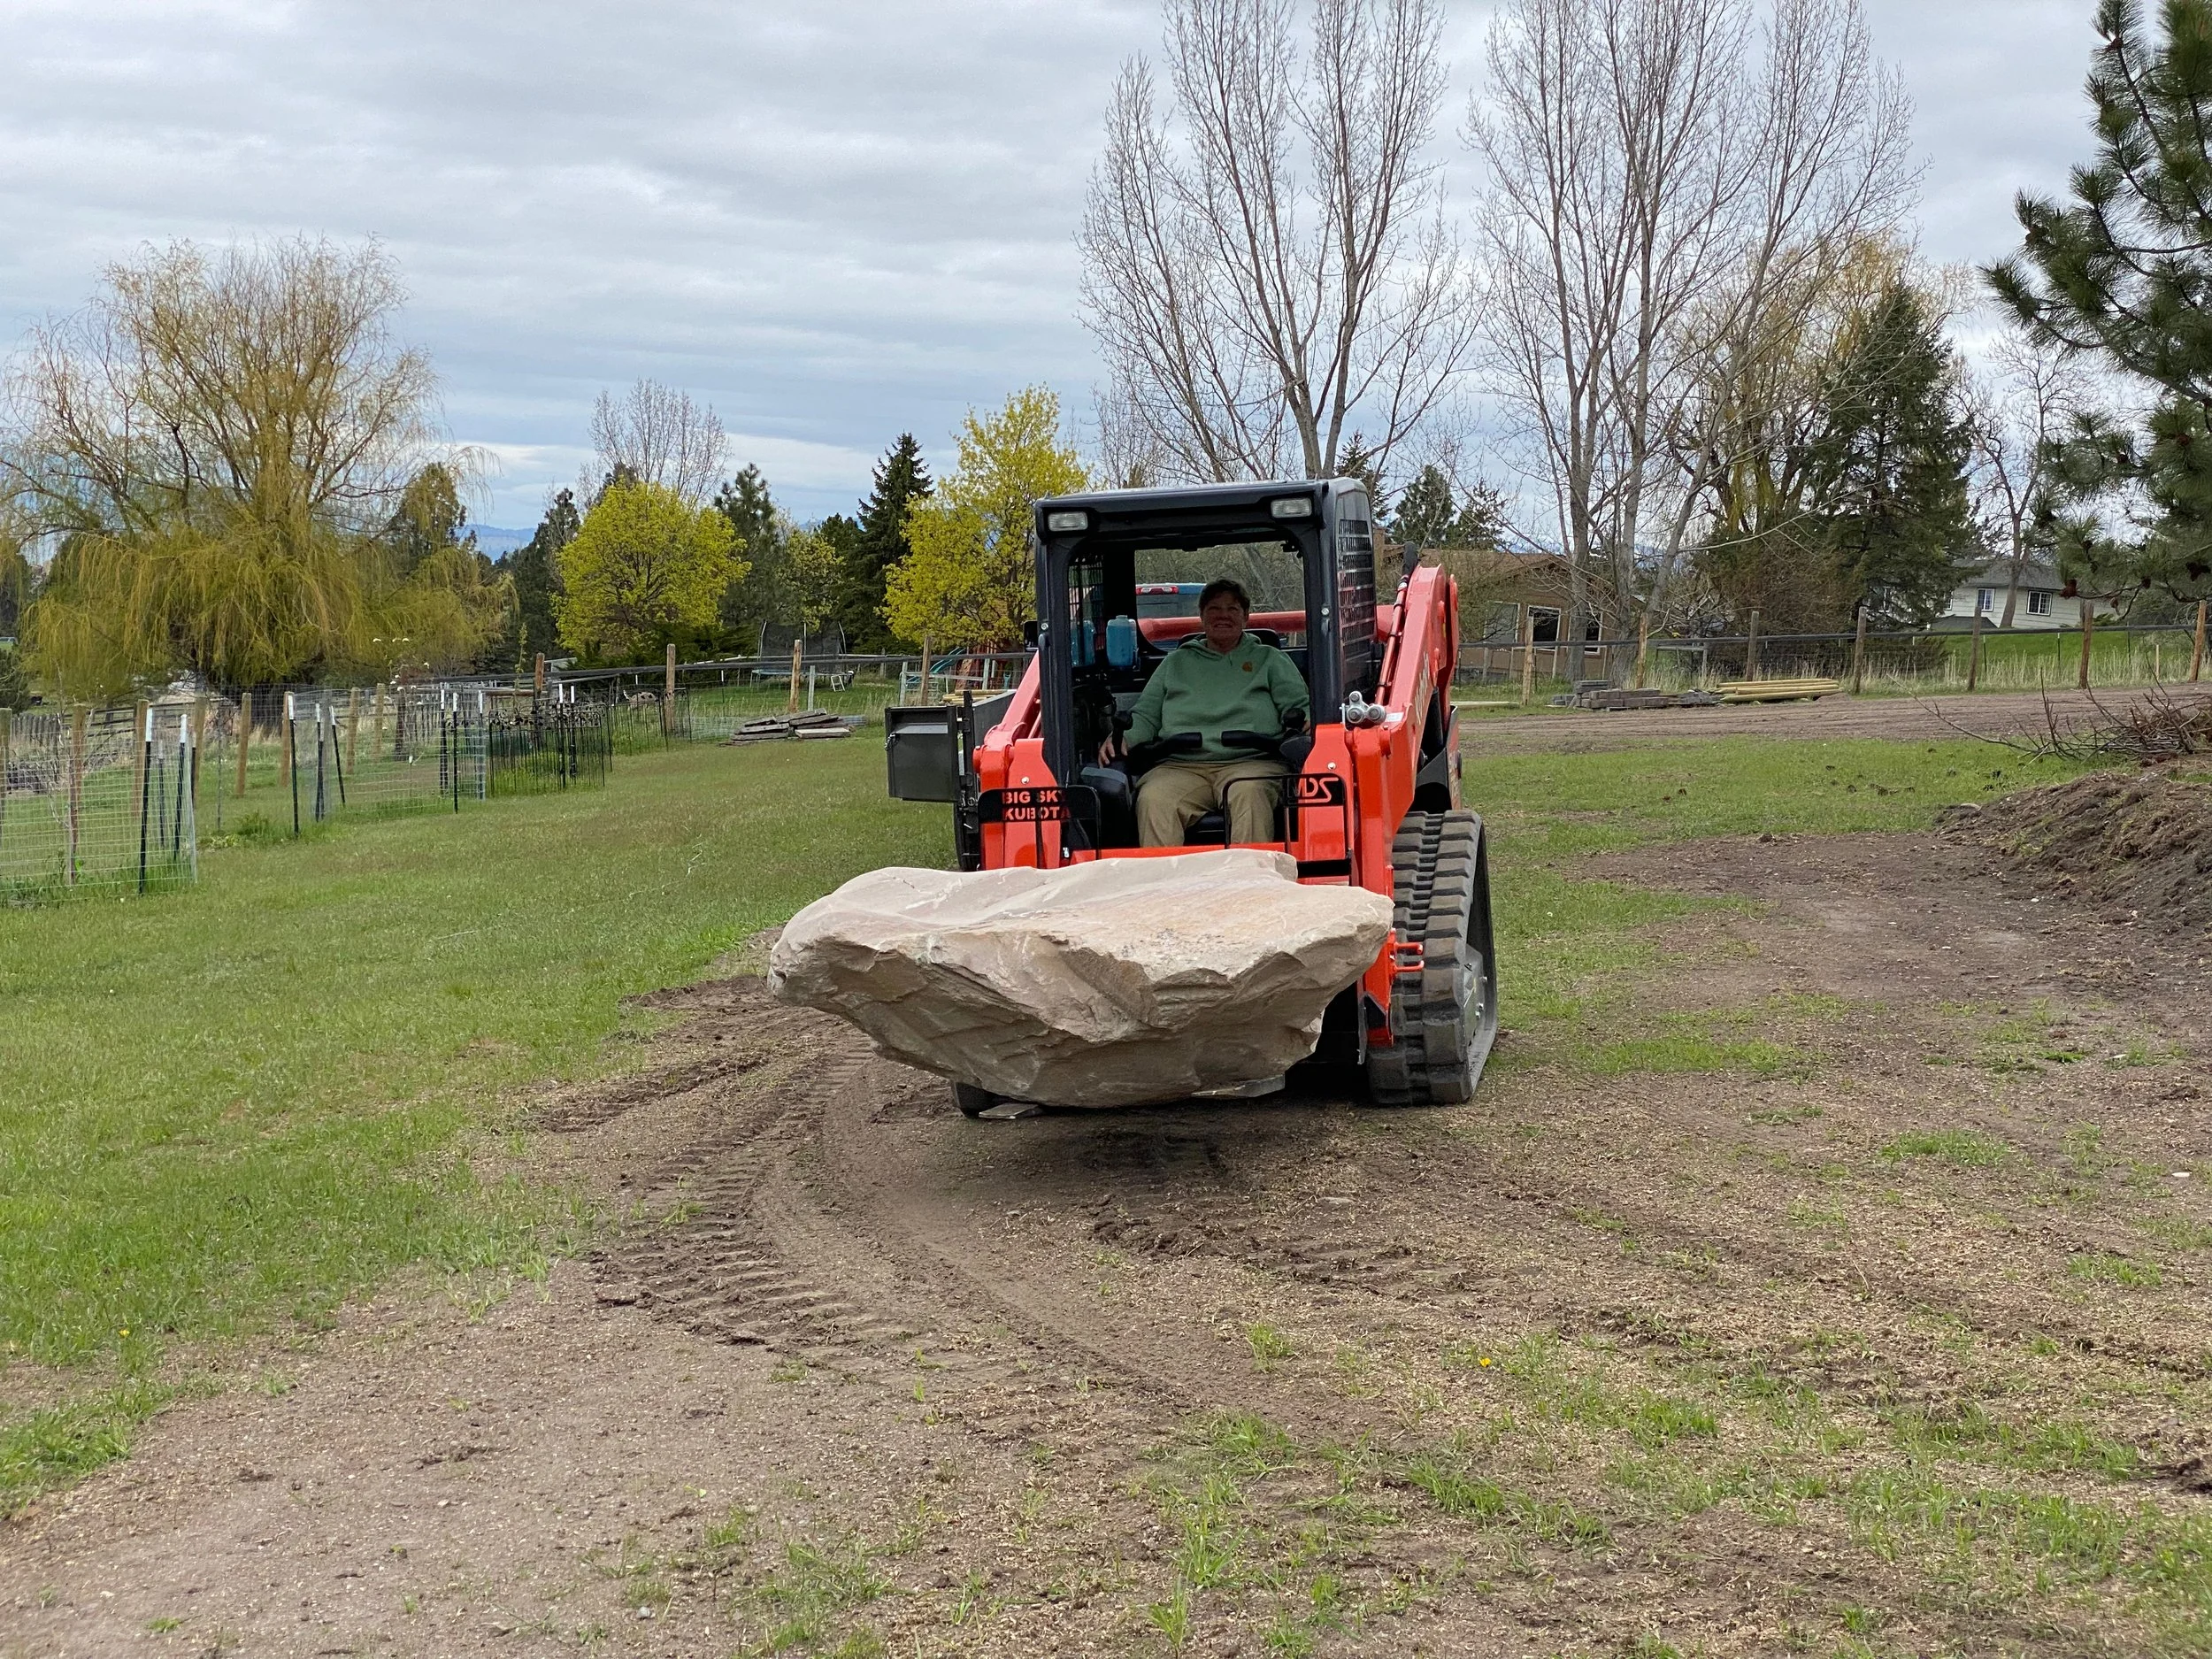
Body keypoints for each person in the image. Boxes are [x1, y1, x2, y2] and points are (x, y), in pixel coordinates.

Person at [1103, 578, 1310, 847]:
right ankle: (1166, 886)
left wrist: (1309, 721)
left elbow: (1299, 707)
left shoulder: (1270, 660)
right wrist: (1122, 739)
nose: (1223, 615)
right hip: (1182, 765)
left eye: (1232, 609)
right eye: (1214, 609)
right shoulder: (1176, 662)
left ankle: (1249, 884)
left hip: (1252, 762)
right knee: (1155, 799)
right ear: (1202, 616)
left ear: (1246, 617)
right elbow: (1146, 715)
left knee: (1249, 793)